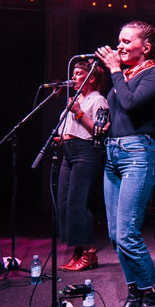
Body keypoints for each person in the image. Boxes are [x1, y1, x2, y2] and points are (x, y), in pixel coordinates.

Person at [94, 21, 155, 307]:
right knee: (115, 235)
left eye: (127, 41)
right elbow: (119, 112)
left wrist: (113, 71)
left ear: (146, 47)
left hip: (137, 155)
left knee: (128, 234)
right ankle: (135, 295)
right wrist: (103, 123)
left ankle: (153, 298)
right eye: (118, 40)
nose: (119, 46)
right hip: (113, 155)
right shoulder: (124, 76)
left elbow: (131, 103)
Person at [55, 60, 108, 272]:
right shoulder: (75, 98)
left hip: (85, 152)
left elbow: (99, 131)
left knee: (77, 203)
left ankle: (89, 252)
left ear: (91, 78)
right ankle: (77, 250)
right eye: (74, 73)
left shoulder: (99, 100)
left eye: (78, 73)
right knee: (64, 203)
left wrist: (77, 112)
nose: (74, 77)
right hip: (68, 151)